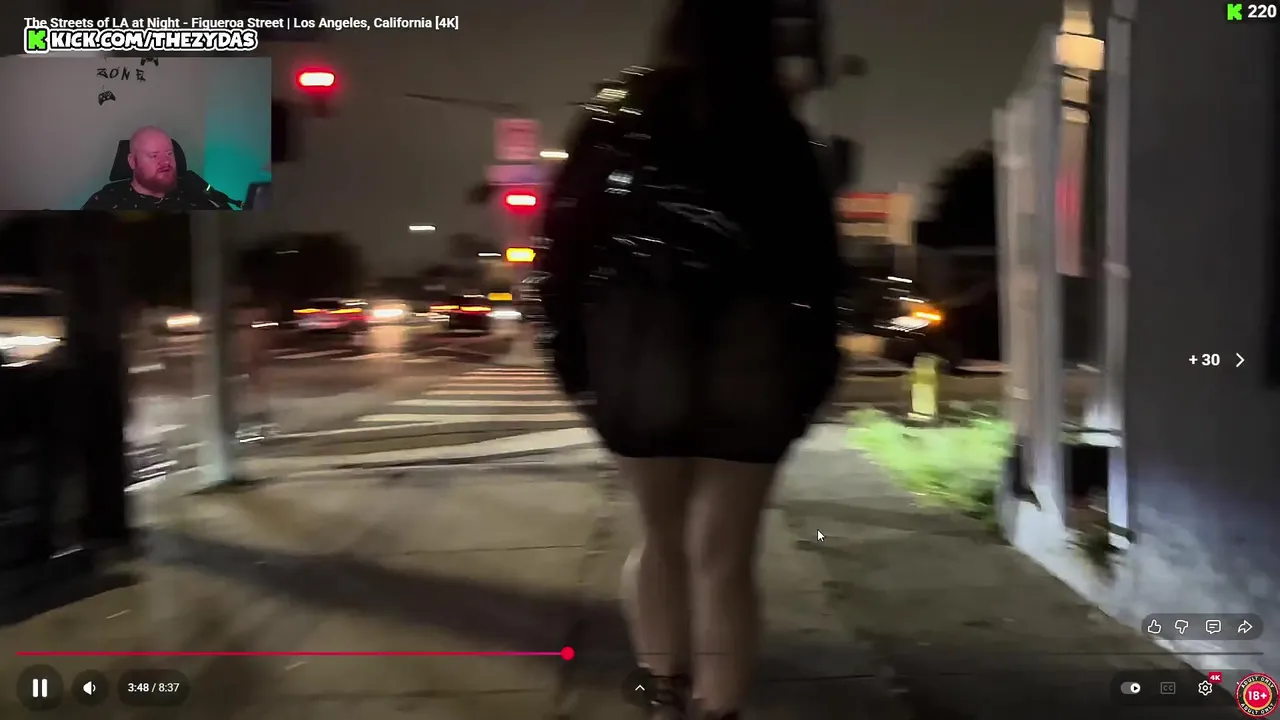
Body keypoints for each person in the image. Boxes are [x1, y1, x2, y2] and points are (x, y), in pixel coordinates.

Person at [526, 1, 841, 717]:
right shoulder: (778, 129)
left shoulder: (614, 119)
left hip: (639, 347)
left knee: (659, 537)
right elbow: (817, 269)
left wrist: (574, 361)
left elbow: (564, 247)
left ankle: (663, 693)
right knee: (725, 557)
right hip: (754, 350)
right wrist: (810, 374)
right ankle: (718, 709)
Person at [80, 126, 225, 210]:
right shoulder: (105, 201)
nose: (166, 162)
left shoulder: (194, 192)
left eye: (169, 153)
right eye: (154, 156)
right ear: (132, 161)